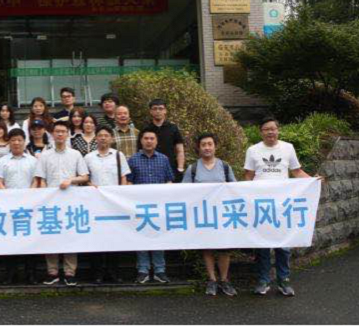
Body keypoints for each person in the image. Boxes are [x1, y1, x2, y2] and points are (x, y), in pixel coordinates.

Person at [244, 117, 317, 297]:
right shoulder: (253, 150)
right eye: (266, 129)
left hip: (283, 205)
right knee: (262, 244)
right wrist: (248, 199)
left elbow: (296, 171)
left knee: (283, 244)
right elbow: (248, 176)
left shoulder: (288, 148)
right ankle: (263, 281)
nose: (270, 132)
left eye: (273, 129)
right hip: (261, 205)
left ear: (278, 130)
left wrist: (313, 181)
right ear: (261, 132)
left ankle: (284, 281)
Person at [35, 120, 90, 286]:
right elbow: (41, 179)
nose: (60, 134)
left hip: (71, 201)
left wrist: (71, 180)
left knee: (70, 236)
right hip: (51, 203)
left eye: (63, 131)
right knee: (51, 235)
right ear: (52, 134)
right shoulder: (45, 155)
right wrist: (45, 196)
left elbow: (84, 177)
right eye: (57, 131)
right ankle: (52, 272)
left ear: (68, 134)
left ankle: (69, 272)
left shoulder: (75, 154)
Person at [182, 133, 238, 297]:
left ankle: (224, 280)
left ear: (215, 146)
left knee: (224, 248)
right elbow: (183, 192)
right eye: (203, 144)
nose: (207, 147)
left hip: (223, 214)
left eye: (210, 144)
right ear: (199, 148)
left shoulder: (224, 166)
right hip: (203, 215)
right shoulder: (193, 169)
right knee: (207, 247)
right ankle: (212, 280)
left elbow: (235, 188)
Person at [127, 128, 174, 284]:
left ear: (156, 141)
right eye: (146, 138)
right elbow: (129, 182)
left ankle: (160, 270)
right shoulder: (133, 160)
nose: (149, 141)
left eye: (152, 138)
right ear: (141, 141)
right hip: (139, 207)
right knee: (140, 237)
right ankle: (143, 270)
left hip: (159, 206)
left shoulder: (164, 159)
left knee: (158, 236)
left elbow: (169, 180)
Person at [85, 127, 131, 284]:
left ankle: (113, 272)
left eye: (106, 135)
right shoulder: (89, 157)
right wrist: (91, 186)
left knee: (114, 238)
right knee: (96, 238)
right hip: (95, 203)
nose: (103, 138)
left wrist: (121, 194)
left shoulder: (118, 155)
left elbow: (124, 176)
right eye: (100, 135)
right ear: (96, 138)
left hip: (113, 203)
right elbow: (85, 178)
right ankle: (97, 273)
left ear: (111, 138)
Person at [0, 128, 39, 284]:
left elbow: (36, 180)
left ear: (24, 141)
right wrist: (9, 198)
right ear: (9, 142)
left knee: (30, 241)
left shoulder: (33, 160)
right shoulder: (3, 161)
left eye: (19, 140)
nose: (16, 143)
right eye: (13, 140)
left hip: (29, 207)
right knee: (10, 241)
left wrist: (28, 197)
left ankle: (31, 273)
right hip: (9, 207)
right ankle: (10, 274)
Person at [144, 99, 185, 183]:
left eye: (160, 108)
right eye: (155, 108)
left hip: (171, 169)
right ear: (150, 111)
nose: (158, 111)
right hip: (152, 170)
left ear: (165, 111)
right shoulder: (146, 129)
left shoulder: (173, 128)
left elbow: (180, 150)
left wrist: (180, 168)